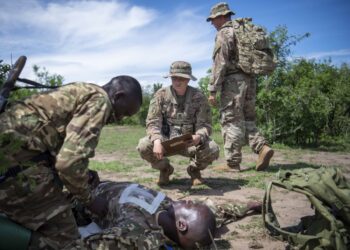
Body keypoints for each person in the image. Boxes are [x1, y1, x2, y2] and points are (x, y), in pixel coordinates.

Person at [0, 75, 142, 249]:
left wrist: (85, 174)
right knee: (67, 240)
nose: (120, 118)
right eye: (125, 112)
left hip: (13, 159)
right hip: (13, 168)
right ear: (118, 96)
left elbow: (54, 144)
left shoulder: (82, 90)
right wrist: (89, 200)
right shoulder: (100, 101)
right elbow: (68, 164)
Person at [74, 173, 262, 250]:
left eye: (189, 206)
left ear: (182, 224)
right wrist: (250, 206)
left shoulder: (137, 229)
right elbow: (220, 210)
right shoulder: (172, 207)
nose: (189, 200)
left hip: (80, 199)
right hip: (97, 182)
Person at [206, 2, 274, 172]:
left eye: (213, 20)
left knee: (231, 120)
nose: (212, 24)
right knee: (247, 119)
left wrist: (213, 89)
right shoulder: (241, 31)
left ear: (221, 17)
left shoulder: (225, 33)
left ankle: (232, 163)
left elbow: (220, 63)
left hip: (233, 82)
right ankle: (262, 147)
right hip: (250, 80)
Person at [137, 61, 219, 186]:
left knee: (212, 148)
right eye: (174, 78)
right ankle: (165, 169)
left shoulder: (199, 97)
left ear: (188, 80)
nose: (177, 81)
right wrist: (157, 141)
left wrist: (199, 136)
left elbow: (205, 124)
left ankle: (194, 170)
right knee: (144, 146)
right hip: (165, 141)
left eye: (182, 78)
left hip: (189, 143)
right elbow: (152, 122)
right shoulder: (160, 95)